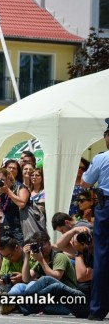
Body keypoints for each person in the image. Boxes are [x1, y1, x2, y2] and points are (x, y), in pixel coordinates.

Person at [81, 118, 109, 321]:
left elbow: (85, 183)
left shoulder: (101, 159)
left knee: (102, 257)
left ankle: (98, 309)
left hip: (106, 207)